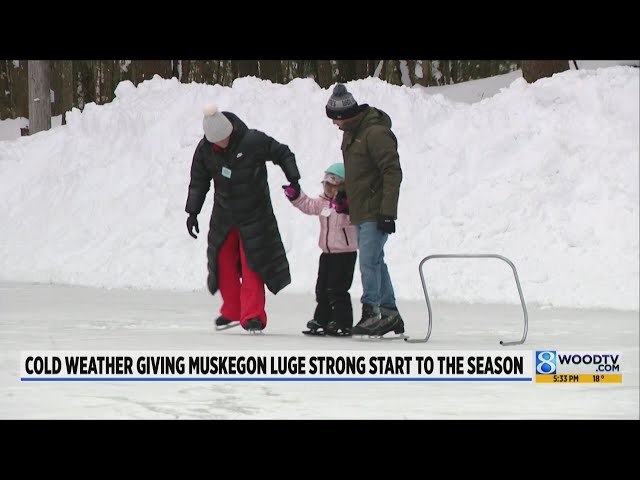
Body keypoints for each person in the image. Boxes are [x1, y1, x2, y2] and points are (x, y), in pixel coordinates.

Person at [185, 104, 301, 332]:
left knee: (253, 264)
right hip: (224, 215)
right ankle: (233, 310)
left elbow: (282, 152)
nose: (222, 143)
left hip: (255, 215)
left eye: (224, 138)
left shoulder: (251, 141)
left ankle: (253, 316)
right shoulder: (205, 150)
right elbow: (198, 181)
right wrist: (192, 212)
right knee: (222, 262)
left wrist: (293, 178)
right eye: (217, 141)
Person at [325, 83, 404, 337]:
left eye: (336, 120)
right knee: (376, 262)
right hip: (361, 209)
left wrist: (387, 212)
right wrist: (345, 194)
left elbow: (392, 172)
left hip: (376, 209)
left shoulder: (375, 133)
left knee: (369, 261)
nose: (335, 125)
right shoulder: (351, 133)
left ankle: (372, 312)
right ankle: (390, 313)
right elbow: (358, 171)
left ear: (345, 115)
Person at [282, 163, 357, 336]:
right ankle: (323, 318)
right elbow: (308, 205)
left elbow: (357, 216)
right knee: (322, 288)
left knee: (337, 289)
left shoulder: (350, 203)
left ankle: (342, 321)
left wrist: (345, 206)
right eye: (326, 185)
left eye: (333, 185)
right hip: (327, 253)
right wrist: (296, 196)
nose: (328, 189)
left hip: (345, 254)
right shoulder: (323, 203)